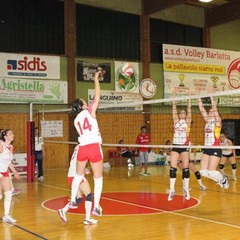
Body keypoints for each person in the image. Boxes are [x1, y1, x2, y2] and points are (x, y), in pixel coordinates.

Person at [68, 69, 103, 217]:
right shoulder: (89, 111)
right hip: (94, 147)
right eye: (84, 101)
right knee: (98, 178)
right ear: (83, 106)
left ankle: (72, 200)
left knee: (78, 176)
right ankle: (96, 207)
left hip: (82, 148)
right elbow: (97, 96)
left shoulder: (75, 120)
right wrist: (96, 79)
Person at [58, 145, 97, 225]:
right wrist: (82, 171)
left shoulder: (77, 147)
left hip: (71, 175)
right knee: (89, 194)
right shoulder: (83, 147)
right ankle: (88, 218)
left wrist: (83, 169)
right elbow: (78, 162)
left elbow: (76, 161)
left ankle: (63, 210)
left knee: (79, 198)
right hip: (76, 175)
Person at [198, 91, 229, 189]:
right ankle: (220, 180)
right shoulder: (207, 122)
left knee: (211, 171)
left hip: (215, 148)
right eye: (210, 111)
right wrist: (198, 95)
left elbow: (215, 109)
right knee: (202, 172)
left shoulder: (218, 123)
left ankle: (223, 179)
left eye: (212, 111)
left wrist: (211, 96)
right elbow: (201, 108)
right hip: (207, 148)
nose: (210, 112)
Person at [168, 90, 192, 201]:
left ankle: (186, 189)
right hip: (175, 146)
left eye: (184, 113)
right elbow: (173, 108)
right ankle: (172, 190)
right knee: (173, 169)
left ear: (186, 115)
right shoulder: (176, 121)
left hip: (184, 146)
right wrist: (173, 95)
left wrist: (190, 97)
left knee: (186, 169)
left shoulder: (187, 122)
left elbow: (189, 109)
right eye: (181, 113)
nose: (182, 114)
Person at [0, 129, 21, 223]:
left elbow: (9, 162)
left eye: (13, 133)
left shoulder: (10, 147)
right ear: (5, 136)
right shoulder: (0, 145)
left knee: (8, 194)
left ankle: (6, 216)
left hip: (4, 172)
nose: (13, 135)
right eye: (10, 134)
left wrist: (15, 172)